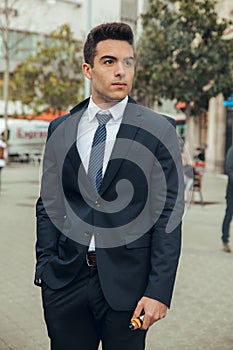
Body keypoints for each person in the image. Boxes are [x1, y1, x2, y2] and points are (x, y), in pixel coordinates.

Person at [34, 22, 184, 350]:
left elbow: (168, 214)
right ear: (88, 69)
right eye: (109, 62)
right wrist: (45, 266)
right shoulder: (61, 128)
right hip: (66, 283)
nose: (121, 71)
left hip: (129, 288)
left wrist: (159, 290)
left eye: (127, 62)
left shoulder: (160, 130)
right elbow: (49, 203)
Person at [221, 145, 233, 253]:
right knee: (229, 214)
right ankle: (225, 240)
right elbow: (229, 169)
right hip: (232, 190)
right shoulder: (232, 151)